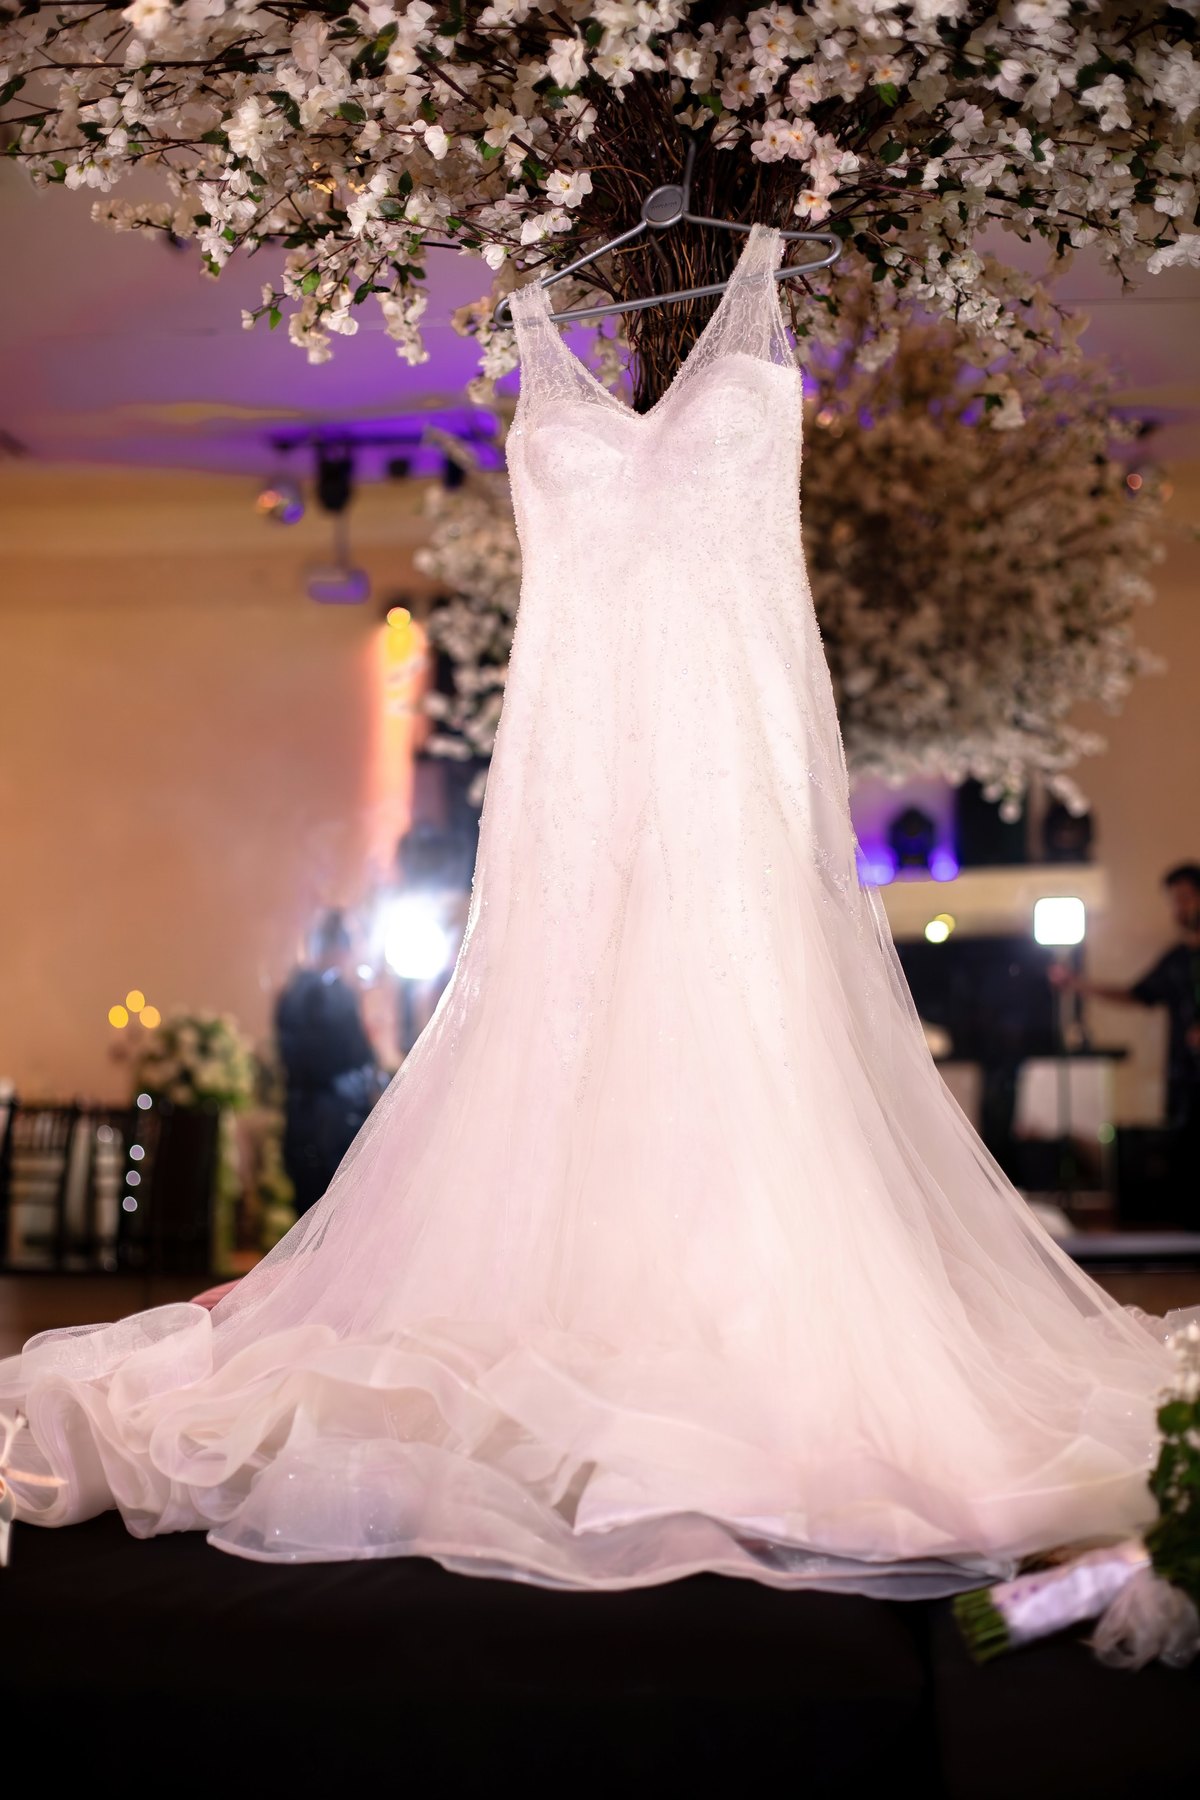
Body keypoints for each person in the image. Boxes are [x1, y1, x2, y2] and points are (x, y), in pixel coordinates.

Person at [1052, 863, 1200, 1211]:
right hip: (1187, 1081)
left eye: (1185, 898)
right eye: (1174, 901)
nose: (1179, 908)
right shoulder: (1177, 960)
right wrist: (1079, 986)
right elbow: (1138, 994)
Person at [275, 909, 382, 1217]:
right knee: (336, 1218)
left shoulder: (294, 991)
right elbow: (352, 1059)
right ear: (340, 949)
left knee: (308, 1214)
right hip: (332, 1125)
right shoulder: (332, 994)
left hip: (304, 1122)